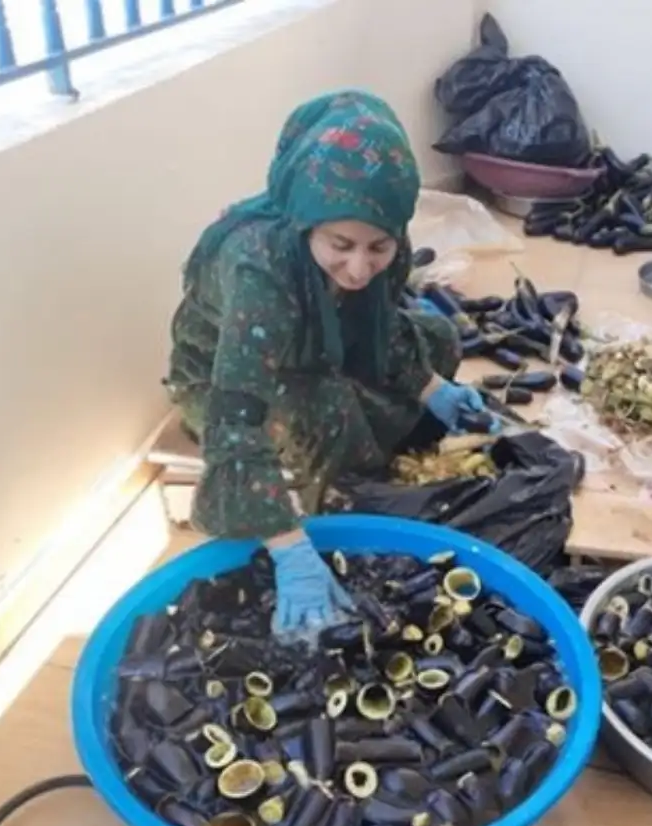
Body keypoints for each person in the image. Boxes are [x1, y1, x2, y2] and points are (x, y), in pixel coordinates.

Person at [163, 91, 497, 635]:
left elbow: (380, 323)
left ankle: (371, 443)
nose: (360, 269)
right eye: (341, 244)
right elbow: (235, 419)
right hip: (222, 379)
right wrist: (289, 550)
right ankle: (333, 500)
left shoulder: (381, 242)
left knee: (435, 337)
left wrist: (433, 387)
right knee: (327, 408)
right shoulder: (258, 270)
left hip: (316, 346)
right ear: (306, 224)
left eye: (378, 248)